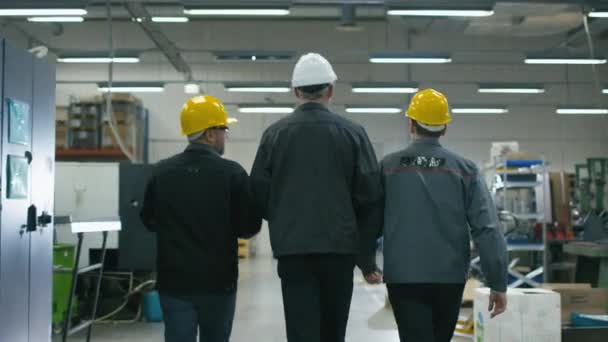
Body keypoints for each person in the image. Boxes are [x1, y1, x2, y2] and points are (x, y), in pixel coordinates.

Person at [250, 52, 384, 342]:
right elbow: (372, 198)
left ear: (296, 91)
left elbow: (258, 195)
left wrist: (285, 218)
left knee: (301, 332)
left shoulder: (274, 135)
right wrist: (366, 258)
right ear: (331, 91)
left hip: (293, 253)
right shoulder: (353, 134)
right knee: (333, 331)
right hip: (339, 252)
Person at [380, 89, 508, 342]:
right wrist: (498, 281)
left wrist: (365, 261)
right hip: (448, 277)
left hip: (403, 277)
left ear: (411, 124)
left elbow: (369, 217)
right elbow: (487, 229)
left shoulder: (389, 167)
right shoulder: (465, 170)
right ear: (444, 128)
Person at [140, 95, 262, 342]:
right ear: (209, 134)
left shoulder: (162, 171)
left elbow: (148, 220)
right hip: (218, 283)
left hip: (174, 282)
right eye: (223, 130)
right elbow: (250, 227)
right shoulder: (232, 174)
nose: (224, 136)